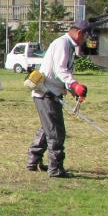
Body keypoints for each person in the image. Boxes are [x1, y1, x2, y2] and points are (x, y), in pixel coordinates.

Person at [26, 19, 90, 178]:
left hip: (50, 92)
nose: (86, 41)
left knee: (47, 128)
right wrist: (74, 84)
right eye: (86, 37)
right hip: (46, 93)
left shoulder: (67, 45)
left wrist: (71, 89)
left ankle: (33, 161)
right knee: (56, 132)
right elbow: (60, 69)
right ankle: (55, 169)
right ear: (79, 33)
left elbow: (60, 73)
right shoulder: (62, 44)